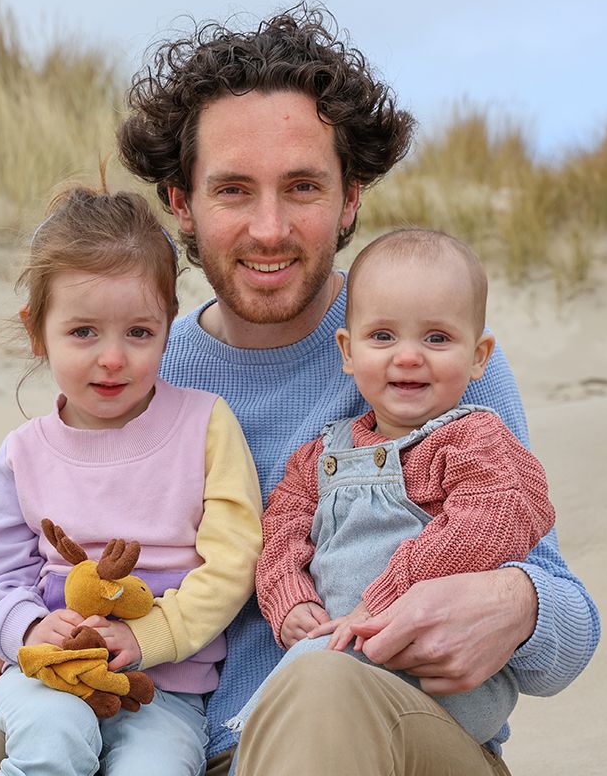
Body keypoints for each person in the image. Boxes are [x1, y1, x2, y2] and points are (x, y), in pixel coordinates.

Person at [0, 3, 599, 776]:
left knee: (322, 684)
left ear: (350, 198)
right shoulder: (137, 368)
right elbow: (35, 564)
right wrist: (30, 627)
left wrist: (519, 605)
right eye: (233, 191)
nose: (269, 228)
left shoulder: (430, 359)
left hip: (385, 740)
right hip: (158, 738)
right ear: (182, 203)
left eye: (301, 187)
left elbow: (568, 634)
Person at [0, 184, 262, 776]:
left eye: (139, 333)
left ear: (168, 326)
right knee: (54, 740)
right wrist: (29, 625)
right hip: (46, 675)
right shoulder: (23, 454)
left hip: (165, 689)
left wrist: (148, 636)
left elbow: (233, 561)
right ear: (36, 331)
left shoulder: (205, 425)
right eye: (83, 333)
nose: (112, 358)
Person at [227, 228, 555, 750]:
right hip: (339, 659)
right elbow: (280, 532)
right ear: (348, 351)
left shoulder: (473, 440)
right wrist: (288, 599)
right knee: (312, 691)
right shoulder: (319, 457)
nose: (407, 357)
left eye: (437, 338)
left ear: (478, 355)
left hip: (437, 687)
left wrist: (386, 600)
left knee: (311, 688)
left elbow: (493, 520)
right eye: (383, 337)